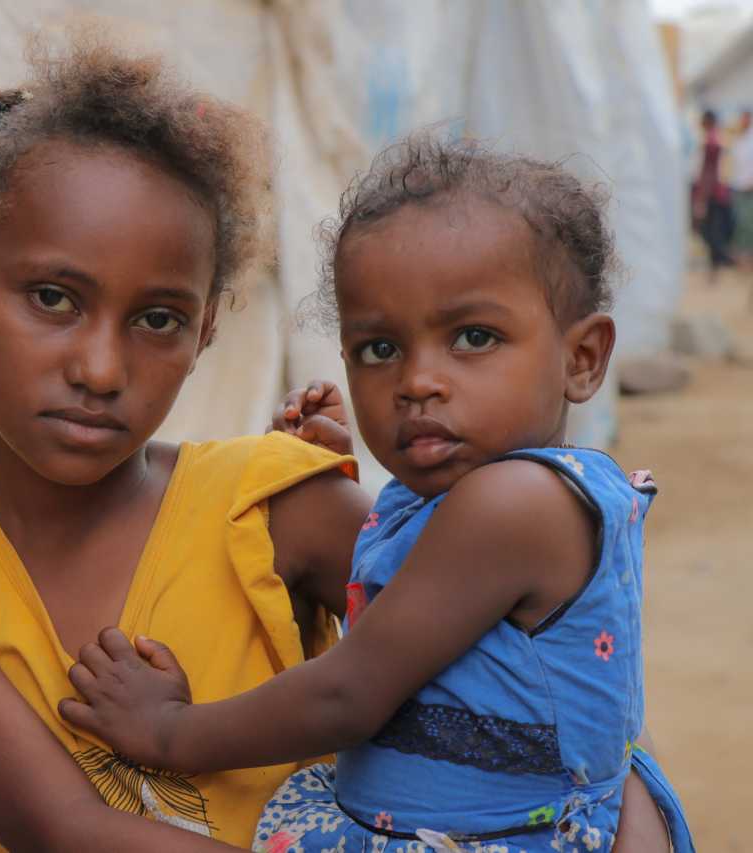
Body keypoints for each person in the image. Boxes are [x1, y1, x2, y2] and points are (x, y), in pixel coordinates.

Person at [62, 137, 695, 852]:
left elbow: (348, 694)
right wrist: (347, 491)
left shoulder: (515, 502)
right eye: (380, 349)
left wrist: (170, 730)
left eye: (474, 337)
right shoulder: (486, 497)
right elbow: (434, 618)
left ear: (581, 359)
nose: (417, 381)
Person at [0, 37, 368, 851]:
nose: (101, 369)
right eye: (53, 298)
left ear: (205, 329)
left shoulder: (274, 504)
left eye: (157, 319)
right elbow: (63, 828)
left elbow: (510, 652)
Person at [695, 108, 735, 280]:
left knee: (711, 230)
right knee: (715, 229)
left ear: (707, 122)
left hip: (713, 192)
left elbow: (709, 172)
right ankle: (717, 263)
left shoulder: (711, 142)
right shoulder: (720, 138)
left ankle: (719, 261)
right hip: (721, 191)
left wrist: (701, 197)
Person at [728, 109, 753, 268]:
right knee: (739, 220)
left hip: (749, 187)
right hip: (738, 185)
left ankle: (748, 254)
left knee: (748, 222)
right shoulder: (738, 139)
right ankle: (742, 254)